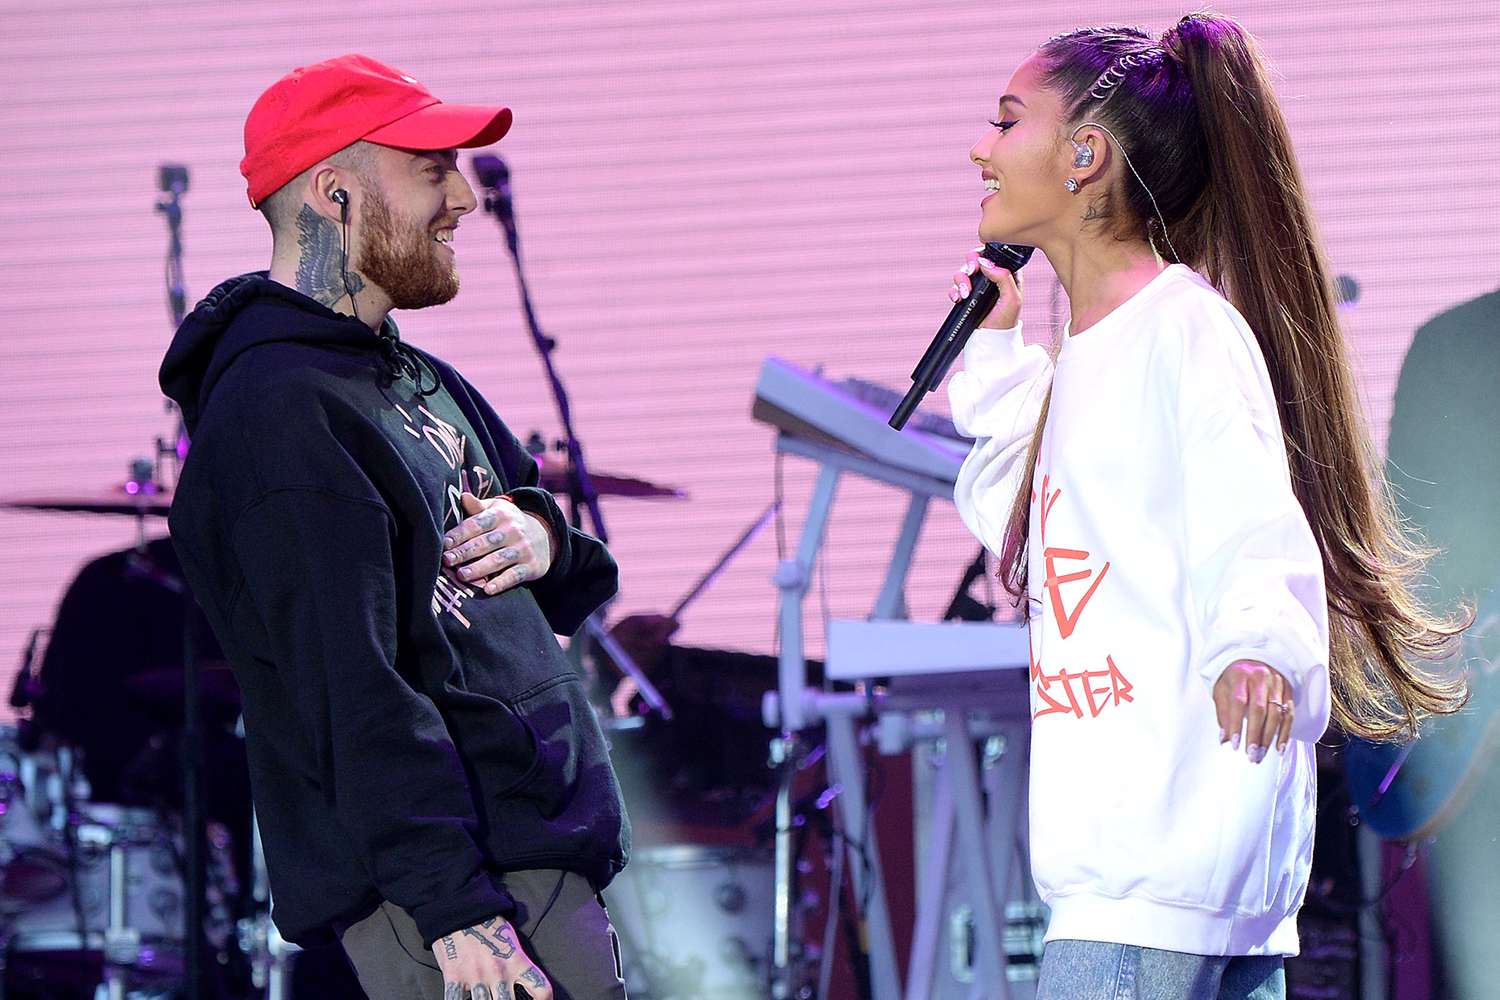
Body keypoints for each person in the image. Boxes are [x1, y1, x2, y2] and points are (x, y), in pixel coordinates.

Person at [944, 15, 1467, 999]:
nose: (981, 146)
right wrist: (992, 353)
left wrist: (1260, 642)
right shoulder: (1094, 356)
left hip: (1152, 867)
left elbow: (1252, 519)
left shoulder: (1184, 330)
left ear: (1085, 155)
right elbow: (1031, 514)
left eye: (1008, 123)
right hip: (1139, 875)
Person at [159, 54, 629, 1000]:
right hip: (461, 901)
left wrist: (539, 533)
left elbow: (575, 578)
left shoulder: (412, 379)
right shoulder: (279, 414)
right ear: (335, 192)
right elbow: (348, 691)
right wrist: (456, 912)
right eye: (431, 169)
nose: (463, 197)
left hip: (521, 865)